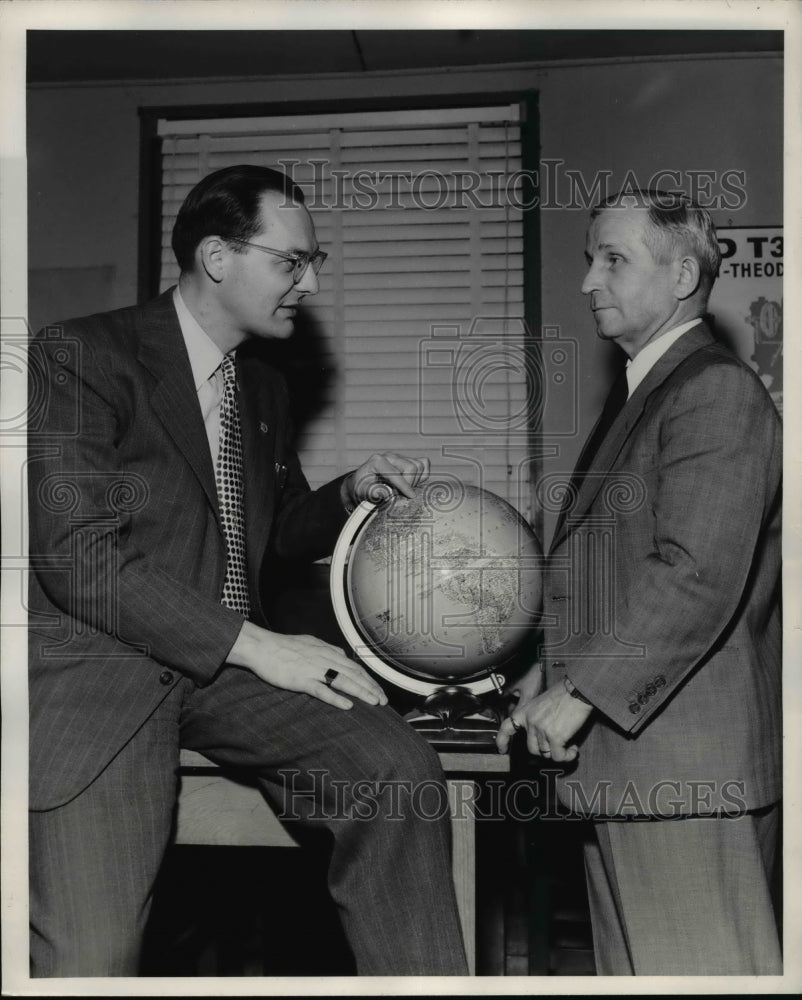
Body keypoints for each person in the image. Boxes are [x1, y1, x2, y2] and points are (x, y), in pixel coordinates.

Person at [27, 164, 468, 977]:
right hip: (109, 669)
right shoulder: (81, 356)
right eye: (291, 261)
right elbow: (78, 558)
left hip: (228, 674)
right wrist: (260, 645)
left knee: (399, 774)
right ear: (218, 257)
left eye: (314, 260)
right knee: (92, 956)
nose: (311, 281)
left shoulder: (259, 384)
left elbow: (269, 531)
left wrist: (348, 491)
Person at [498, 189, 782, 975]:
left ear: (684, 272)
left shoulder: (714, 390)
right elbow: (620, 565)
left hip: (684, 771)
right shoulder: (650, 390)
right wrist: (545, 676)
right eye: (592, 259)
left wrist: (582, 692)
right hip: (636, 765)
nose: (590, 281)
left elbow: (693, 572)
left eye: (613, 259)